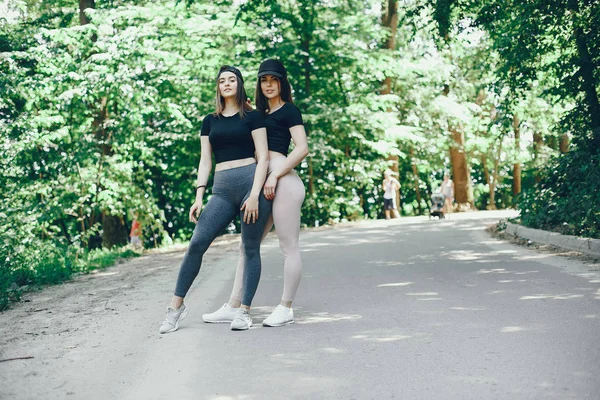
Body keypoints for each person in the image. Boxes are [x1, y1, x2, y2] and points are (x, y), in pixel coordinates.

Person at [159, 65, 272, 333]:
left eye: (232, 79)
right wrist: (199, 196)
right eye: (222, 81)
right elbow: (205, 160)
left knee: (250, 246)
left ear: (240, 84)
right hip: (221, 191)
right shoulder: (210, 121)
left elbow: (264, 156)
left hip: (249, 185)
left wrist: (255, 194)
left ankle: (244, 311)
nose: (227, 84)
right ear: (218, 87)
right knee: (197, 243)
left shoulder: (253, 117)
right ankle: (175, 308)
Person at [202, 59, 309, 327]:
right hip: (261, 182)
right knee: (247, 246)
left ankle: (286, 307)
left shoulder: (289, 111)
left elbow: (302, 148)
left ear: (283, 82)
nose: (269, 85)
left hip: (282, 180)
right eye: (264, 80)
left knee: (288, 246)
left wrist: (275, 175)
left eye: (274, 80)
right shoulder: (256, 114)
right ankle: (233, 304)